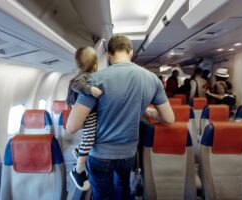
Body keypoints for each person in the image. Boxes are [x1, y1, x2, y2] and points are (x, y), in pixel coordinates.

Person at [66, 35, 174, 199]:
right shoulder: (152, 79)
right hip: (128, 153)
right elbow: (169, 118)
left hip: (100, 154)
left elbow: (72, 126)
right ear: (130, 53)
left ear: (109, 55)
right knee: (123, 190)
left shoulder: (94, 80)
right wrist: (147, 110)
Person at [66, 47, 102, 191]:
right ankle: (78, 169)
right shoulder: (83, 76)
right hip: (86, 111)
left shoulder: (86, 75)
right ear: (94, 65)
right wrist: (90, 90)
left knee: (90, 134)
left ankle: (79, 149)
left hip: (87, 111)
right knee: (89, 135)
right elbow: (75, 85)